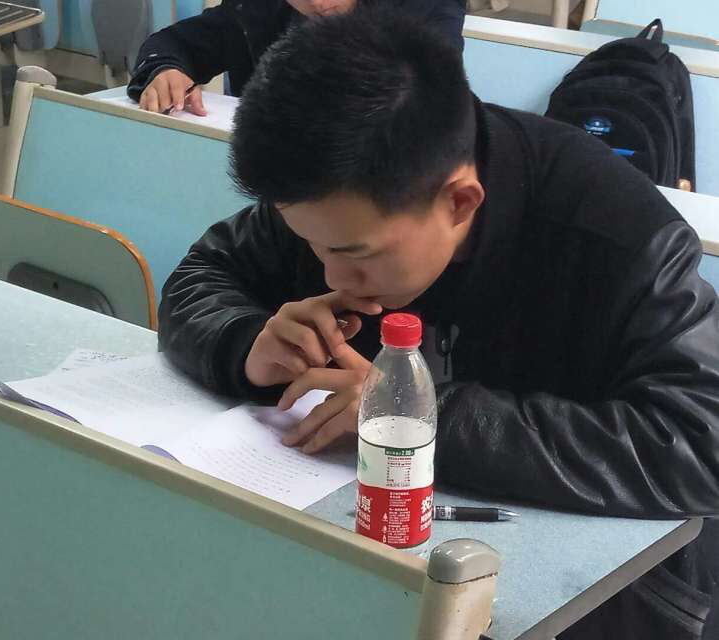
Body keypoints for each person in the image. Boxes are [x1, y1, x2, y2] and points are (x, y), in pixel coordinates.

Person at [158, 6, 719, 638]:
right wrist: (244, 343)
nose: (331, 274)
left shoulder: (617, 233)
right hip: (378, 554)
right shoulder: (334, 191)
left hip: (595, 594)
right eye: (310, 245)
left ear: (459, 202)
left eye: (353, 254)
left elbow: (702, 442)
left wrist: (422, 422)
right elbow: (201, 274)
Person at [127, 0, 466, 114]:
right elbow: (175, 43)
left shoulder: (425, 8)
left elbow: (430, 96)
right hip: (273, 194)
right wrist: (164, 70)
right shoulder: (258, 9)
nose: (318, 3)